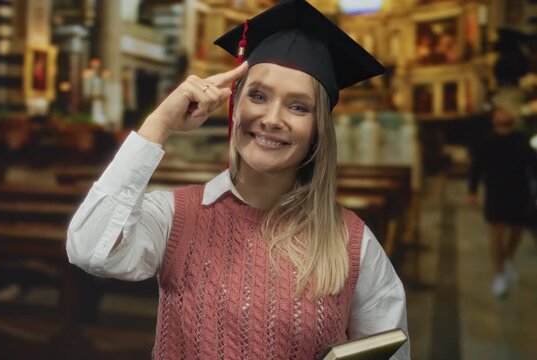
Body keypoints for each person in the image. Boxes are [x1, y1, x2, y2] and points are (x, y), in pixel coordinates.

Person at [67, 1, 409, 358]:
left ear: (317, 130)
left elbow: (391, 352)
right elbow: (89, 250)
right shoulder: (175, 216)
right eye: (258, 96)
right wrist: (159, 124)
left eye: (298, 106)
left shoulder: (352, 243)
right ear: (235, 106)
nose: (272, 118)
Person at [468, 105, 537, 298]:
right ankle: (499, 274)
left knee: (517, 230)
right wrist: (472, 191)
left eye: (507, 112)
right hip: (496, 192)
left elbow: (533, 164)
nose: (504, 114)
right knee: (497, 231)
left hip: (520, 191)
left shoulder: (521, 139)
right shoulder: (486, 141)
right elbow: (475, 167)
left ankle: (508, 258)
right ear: (494, 118)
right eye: (500, 112)